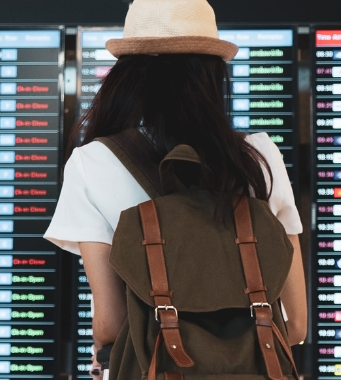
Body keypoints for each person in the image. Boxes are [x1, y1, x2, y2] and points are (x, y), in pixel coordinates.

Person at [43, 0, 307, 378]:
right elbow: (295, 324)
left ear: (128, 76)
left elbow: (112, 325)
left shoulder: (93, 162)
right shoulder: (259, 156)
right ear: (213, 73)